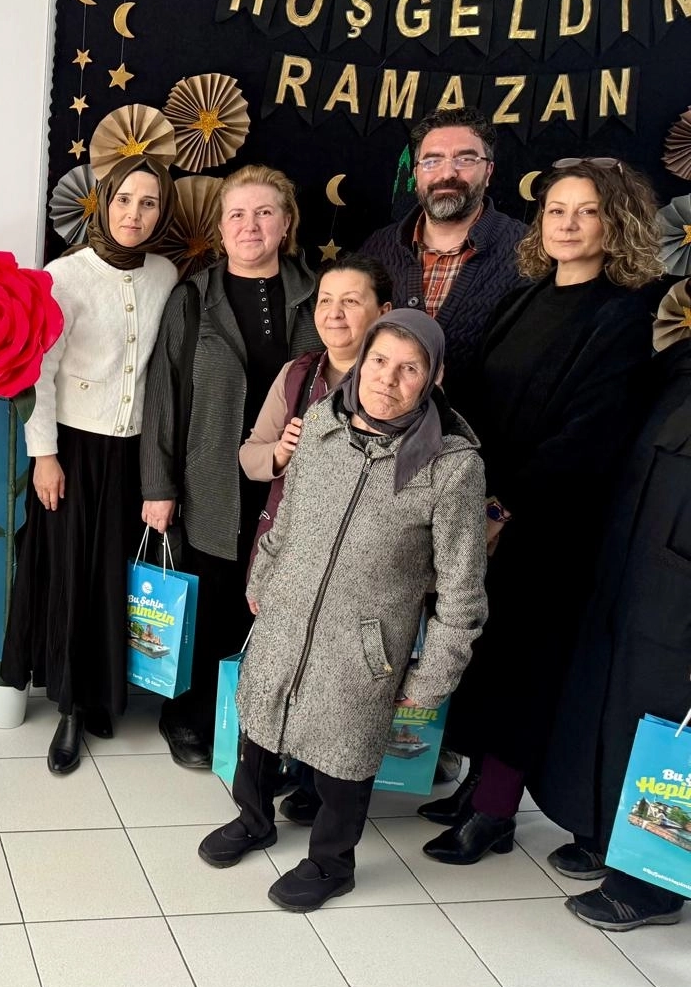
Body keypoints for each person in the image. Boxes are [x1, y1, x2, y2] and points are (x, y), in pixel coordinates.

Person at [200, 310, 487, 912]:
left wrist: (433, 676)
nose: (388, 379)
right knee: (260, 724)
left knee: (345, 757)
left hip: (365, 645)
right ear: (361, 361)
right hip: (286, 616)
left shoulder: (453, 465)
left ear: (434, 377)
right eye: (379, 361)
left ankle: (332, 863)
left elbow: (462, 588)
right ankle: (253, 819)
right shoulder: (321, 424)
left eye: (409, 369)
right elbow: (286, 515)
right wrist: (264, 579)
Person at [423, 158, 667, 866]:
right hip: (485, 506)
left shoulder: (626, 312)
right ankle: (474, 789)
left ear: (614, 223)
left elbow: (589, 435)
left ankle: (495, 814)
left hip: (551, 523)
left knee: (525, 667)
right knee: (484, 656)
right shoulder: (525, 297)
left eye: (587, 211)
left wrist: (504, 509)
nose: (567, 224)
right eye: (556, 210)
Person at [1, 154, 180, 774]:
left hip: (133, 451)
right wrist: (44, 456)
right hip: (72, 450)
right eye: (124, 200)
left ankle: (105, 693)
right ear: (103, 203)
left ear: (162, 212)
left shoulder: (165, 274)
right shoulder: (65, 274)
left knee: (114, 574)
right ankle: (71, 707)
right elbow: (39, 372)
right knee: (73, 574)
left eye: (149, 203)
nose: (135, 214)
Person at [140, 164, 322, 768]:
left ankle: (260, 724)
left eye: (265, 212)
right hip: (210, 482)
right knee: (213, 602)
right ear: (220, 229)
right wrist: (159, 485)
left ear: (287, 223)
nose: (251, 225)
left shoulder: (318, 296)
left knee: (276, 605)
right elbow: (162, 397)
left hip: (294, 484)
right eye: (237, 214)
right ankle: (188, 717)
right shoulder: (192, 298)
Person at [533, 279, 691, 931]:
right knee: (616, 707)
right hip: (632, 574)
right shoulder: (675, 360)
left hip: (680, 604)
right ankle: (607, 834)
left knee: (669, 731)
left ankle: (650, 884)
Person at [238, 252, 393, 825]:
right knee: (277, 670)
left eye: (351, 301)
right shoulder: (298, 375)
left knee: (335, 683)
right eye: (326, 301)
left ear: (383, 312)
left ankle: (315, 786)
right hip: (288, 553)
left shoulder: (398, 384)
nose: (335, 313)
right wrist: (281, 452)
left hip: (358, 572)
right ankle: (259, 802)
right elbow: (250, 456)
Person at [358, 105, 527, 386]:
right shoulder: (378, 248)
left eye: (465, 159)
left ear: (488, 171)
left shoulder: (529, 251)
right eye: (432, 160)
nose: (447, 173)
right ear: (416, 173)